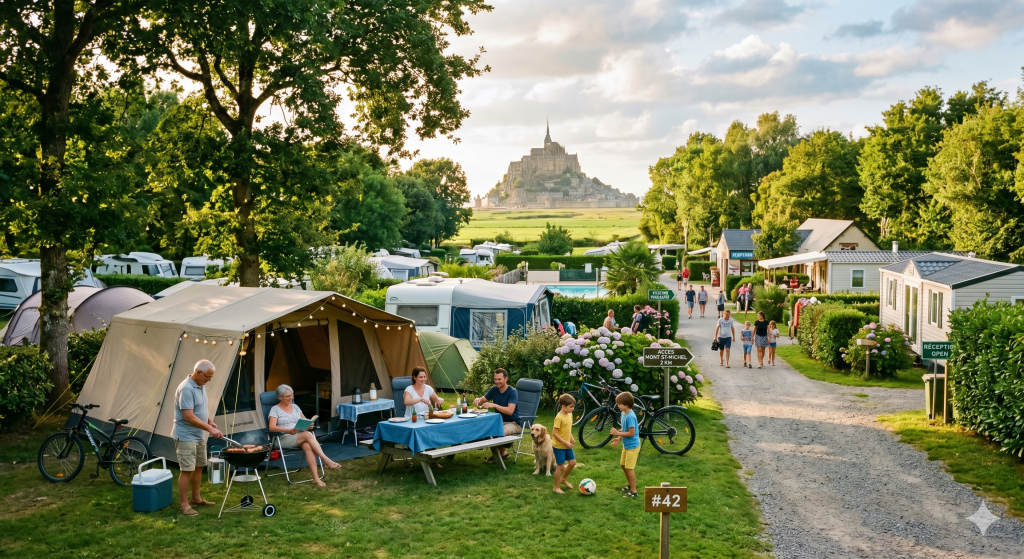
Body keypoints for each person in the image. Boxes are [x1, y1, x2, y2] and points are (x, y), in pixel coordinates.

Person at [173, 360, 223, 516]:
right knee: (187, 469)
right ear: (199, 373)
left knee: (199, 466)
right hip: (186, 435)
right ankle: (184, 505)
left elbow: (200, 408)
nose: (209, 380)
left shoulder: (201, 385)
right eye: (208, 376)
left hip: (199, 434)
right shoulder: (187, 388)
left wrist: (209, 421)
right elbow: (188, 416)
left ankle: (196, 498)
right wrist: (209, 429)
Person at [268, 384, 341, 487]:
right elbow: (272, 427)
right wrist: (289, 431)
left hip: (299, 436)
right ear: (280, 397)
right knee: (307, 435)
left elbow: (304, 420)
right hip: (283, 438)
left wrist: (309, 425)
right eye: (287, 396)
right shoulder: (275, 409)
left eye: (292, 395)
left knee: (307, 445)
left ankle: (316, 479)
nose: (291, 398)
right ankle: (326, 460)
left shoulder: (295, 407)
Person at [472, 368, 521, 461]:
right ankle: (503, 453)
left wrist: (495, 405)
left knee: (498, 432)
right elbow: (483, 399)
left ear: (506, 379)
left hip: (513, 422)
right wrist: (478, 400)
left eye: (499, 379)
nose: (497, 382)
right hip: (498, 421)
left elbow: (510, 411)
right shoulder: (494, 390)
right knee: (484, 430)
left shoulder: (512, 392)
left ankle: (499, 454)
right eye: (495, 379)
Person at [609, 392, 641, 498]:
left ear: (626, 404)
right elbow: (624, 429)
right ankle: (630, 485)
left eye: (620, 404)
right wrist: (618, 439)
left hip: (632, 446)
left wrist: (617, 433)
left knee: (629, 468)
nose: (618, 406)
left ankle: (634, 491)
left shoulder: (630, 417)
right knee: (623, 465)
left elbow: (631, 433)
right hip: (626, 445)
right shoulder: (624, 414)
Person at [551, 393, 577, 494]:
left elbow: (567, 429)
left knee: (572, 463)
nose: (572, 409)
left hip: (567, 445)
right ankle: (556, 487)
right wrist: (565, 443)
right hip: (559, 446)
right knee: (560, 466)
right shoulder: (559, 417)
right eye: (570, 407)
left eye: (573, 406)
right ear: (563, 406)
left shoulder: (569, 414)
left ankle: (563, 479)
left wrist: (571, 437)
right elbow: (555, 433)